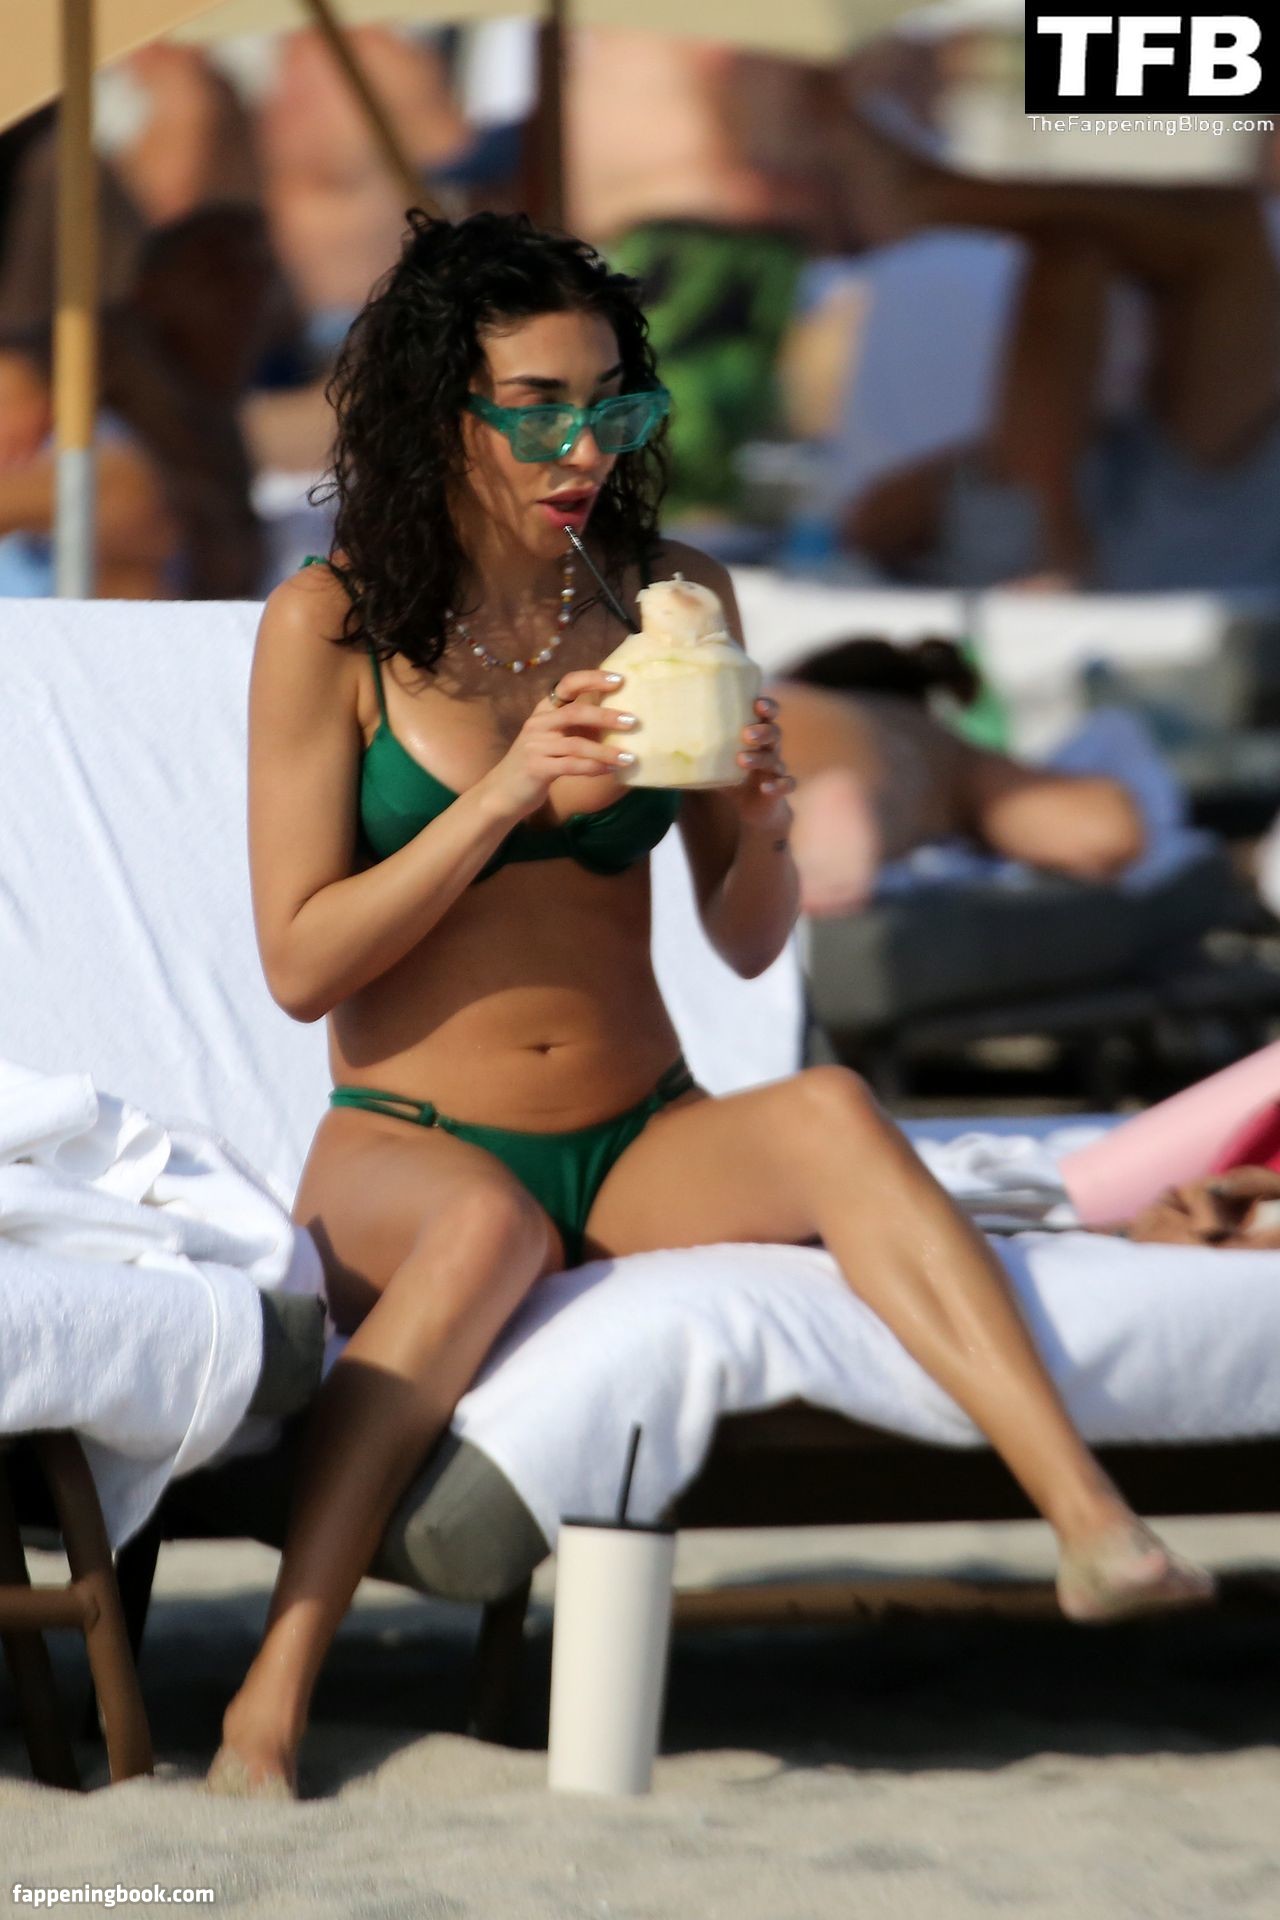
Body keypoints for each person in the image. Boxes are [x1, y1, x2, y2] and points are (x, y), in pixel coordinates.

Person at [216, 210, 1212, 1798]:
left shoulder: (671, 595)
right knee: (487, 1234)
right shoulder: (330, 623)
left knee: (828, 1109)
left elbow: (744, 946)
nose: (584, 447)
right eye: (537, 406)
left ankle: (1091, 1525)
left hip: (637, 1131)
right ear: (435, 411)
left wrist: (762, 821)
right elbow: (298, 963)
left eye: (610, 404)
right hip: (413, 1140)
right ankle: (269, 1699)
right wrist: (506, 796)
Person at [775, 638, 1145, 917]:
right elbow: (1099, 832)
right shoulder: (943, 750)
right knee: (877, 786)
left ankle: (815, 828)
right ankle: (819, 833)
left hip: (775, 729)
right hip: (845, 775)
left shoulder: (828, 711)